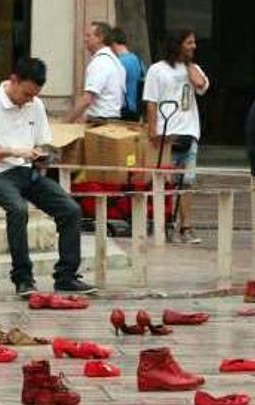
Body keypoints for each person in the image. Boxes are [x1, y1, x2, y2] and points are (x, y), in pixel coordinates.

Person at [0, 57, 97, 297]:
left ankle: (66, 276)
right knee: (18, 210)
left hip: (26, 171)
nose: (29, 100)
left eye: (34, 95)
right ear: (14, 81)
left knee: (70, 209)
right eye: (26, 94)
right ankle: (23, 278)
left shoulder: (35, 105)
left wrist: (43, 156)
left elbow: (44, 143)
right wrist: (13, 151)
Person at [142, 29, 209, 244]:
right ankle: (161, 223)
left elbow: (201, 85)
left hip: (189, 132)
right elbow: (151, 103)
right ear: (177, 44)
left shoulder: (194, 68)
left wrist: (189, 65)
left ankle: (185, 226)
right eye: (189, 42)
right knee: (164, 182)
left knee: (187, 182)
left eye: (194, 42)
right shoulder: (157, 70)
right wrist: (152, 132)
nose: (193, 46)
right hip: (166, 133)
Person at [65, 22, 126, 123]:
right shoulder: (116, 62)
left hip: (99, 122)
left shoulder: (100, 62)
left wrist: (65, 122)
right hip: (113, 120)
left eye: (89, 35)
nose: (85, 40)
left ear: (100, 38)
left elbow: (87, 99)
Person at [110, 27, 145, 122]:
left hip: (123, 110)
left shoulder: (118, 62)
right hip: (136, 110)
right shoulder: (138, 60)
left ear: (113, 43)